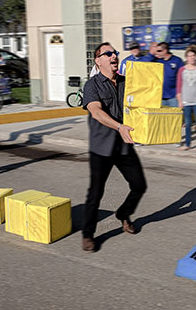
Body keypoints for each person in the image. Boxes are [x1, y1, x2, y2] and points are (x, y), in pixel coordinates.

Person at [81, 42, 147, 252]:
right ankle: (88, 235)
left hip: (123, 145)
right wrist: (119, 126)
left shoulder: (127, 82)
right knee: (96, 193)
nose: (113, 56)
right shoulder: (92, 85)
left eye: (115, 53)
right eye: (108, 53)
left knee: (139, 185)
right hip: (102, 147)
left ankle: (123, 214)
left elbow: (143, 104)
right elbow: (96, 111)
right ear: (98, 60)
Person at [176, 48, 196, 152]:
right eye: (190, 56)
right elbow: (179, 86)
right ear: (186, 58)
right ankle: (187, 144)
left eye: (193, 56)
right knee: (188, 123)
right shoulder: (182, 70)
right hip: (186, 100)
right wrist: (180, 100)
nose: (192, 58)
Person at [154, 42, 184, 107]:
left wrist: (179, 94)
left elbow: (182, 78)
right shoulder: (157, 61)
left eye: (159, 51)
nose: (157, 53)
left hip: (173, 96)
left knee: (175, 116)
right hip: (160, 96)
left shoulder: (177, 60)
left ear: (165, 50)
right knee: (162, 117)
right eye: (156, 51)